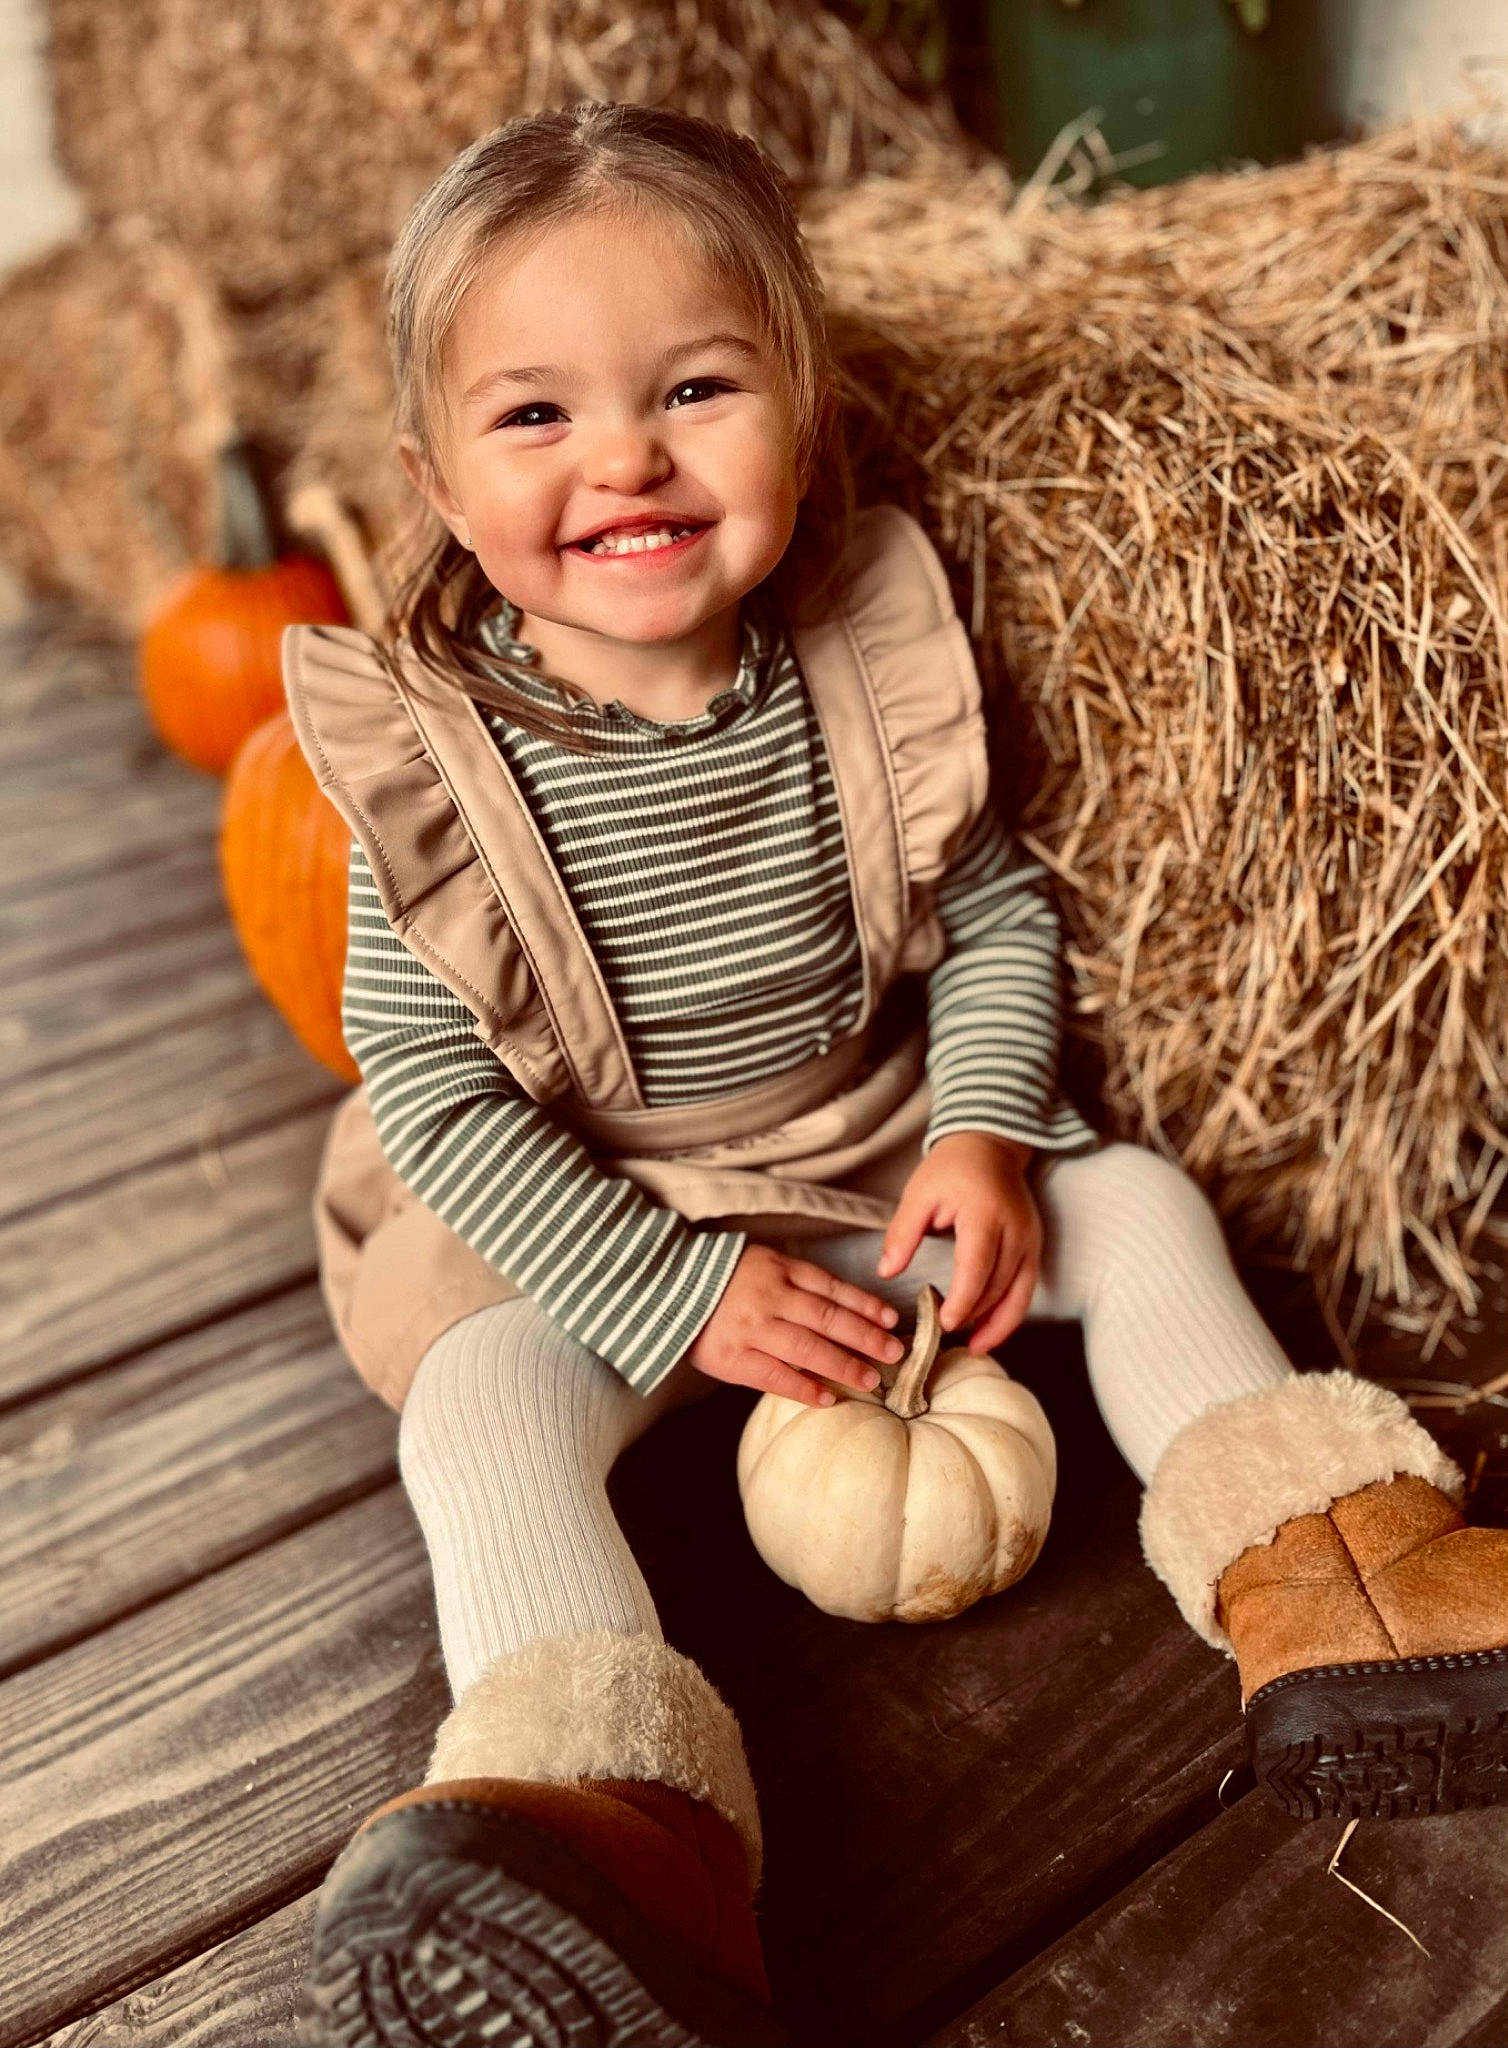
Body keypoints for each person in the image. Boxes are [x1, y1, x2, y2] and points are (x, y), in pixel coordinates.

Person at [287, 99, 1508, 2048]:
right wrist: (679, 1292)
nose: (623, 455)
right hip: (584, 1215)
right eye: (534, 417)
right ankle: (615, 1813)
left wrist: (976, 1128)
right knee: (483, 1407)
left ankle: (1336, 1581)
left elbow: (994, 911)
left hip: (861, 1169)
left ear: (803, 404)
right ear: (433, 472)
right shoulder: (438, 768)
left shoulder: (860, 650)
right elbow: (437, 1105)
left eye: (693, 386)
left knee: (1133, 1199)